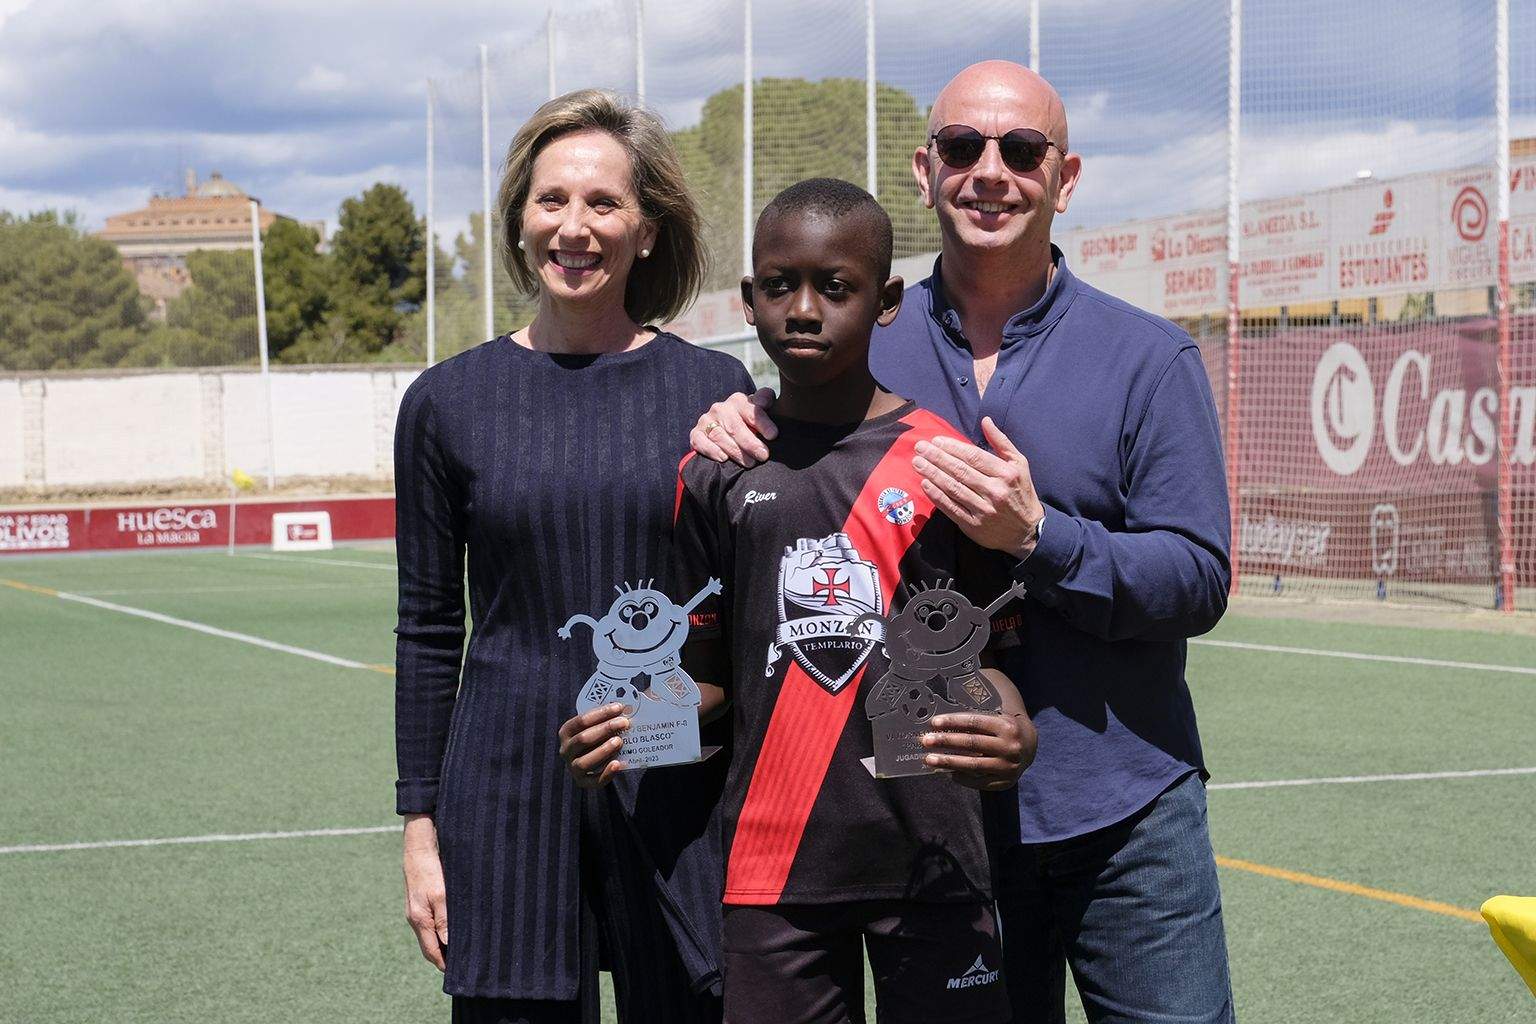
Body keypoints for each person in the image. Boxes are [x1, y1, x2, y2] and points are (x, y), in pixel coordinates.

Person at [690, 63, 1236, 1023]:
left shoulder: (1149, 358)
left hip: (1124, 809)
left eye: (1022, 151)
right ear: (926, 168)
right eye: (963, 147)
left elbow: (1197, 579)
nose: (991, 172)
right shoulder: (860, 339)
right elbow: (786, 481)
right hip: (931, 826)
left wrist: (1038, 537)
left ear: (1064, 180)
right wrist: (733, 423)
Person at [561, 178, 1037, 1024]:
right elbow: (710, 680)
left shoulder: (943, 463)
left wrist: (1012, 728)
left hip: (933, 858)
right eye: (780, 286)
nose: (806, 309)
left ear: (887, 299)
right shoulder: (716, 470)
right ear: (750, 300)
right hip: (773, 867)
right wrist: (643, 721)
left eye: (837, 287)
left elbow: (984, 664)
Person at [394, 89, 753, 1024]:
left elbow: (743, 613)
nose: (574, 227)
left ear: (646, 230)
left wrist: (698, 721)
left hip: (675, 790)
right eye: (552, 200)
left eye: (603, 204)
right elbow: (431, 628)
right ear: (520, 218)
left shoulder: (714, 391)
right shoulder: (447, 402)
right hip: (507, 792)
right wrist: (420, 826)